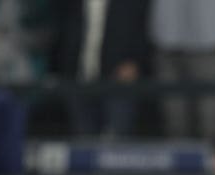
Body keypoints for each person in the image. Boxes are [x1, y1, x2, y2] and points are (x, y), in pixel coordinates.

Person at [50, 0, 149, 137]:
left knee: (117, 144)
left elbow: (142, 32)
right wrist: (61, 69)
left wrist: (134, 62)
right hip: (78, 78)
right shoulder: (72, 4)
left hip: (117, 81)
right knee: (83, 140)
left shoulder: (130, 3)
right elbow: (61, 33)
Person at [149, 0, 215, 138]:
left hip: (210, 43)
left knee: (208, 123)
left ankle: (211, 160)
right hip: (167, 41)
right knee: (174, 122)